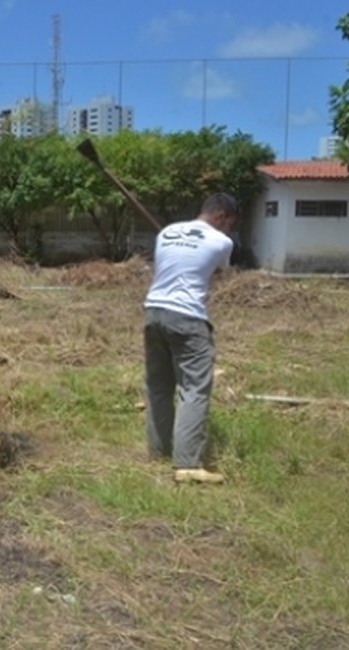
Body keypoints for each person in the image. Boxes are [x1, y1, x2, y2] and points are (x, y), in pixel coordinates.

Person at [143, 192, 238, 484]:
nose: (229, 231)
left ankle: (159, 450)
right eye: (229, 224)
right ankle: (186, 464)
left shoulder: (168, 232)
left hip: (153, 312)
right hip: (187, 317)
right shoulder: (222, 242)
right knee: (194, 388)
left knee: (158, 385)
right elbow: (219, 270)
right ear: (221, 216)